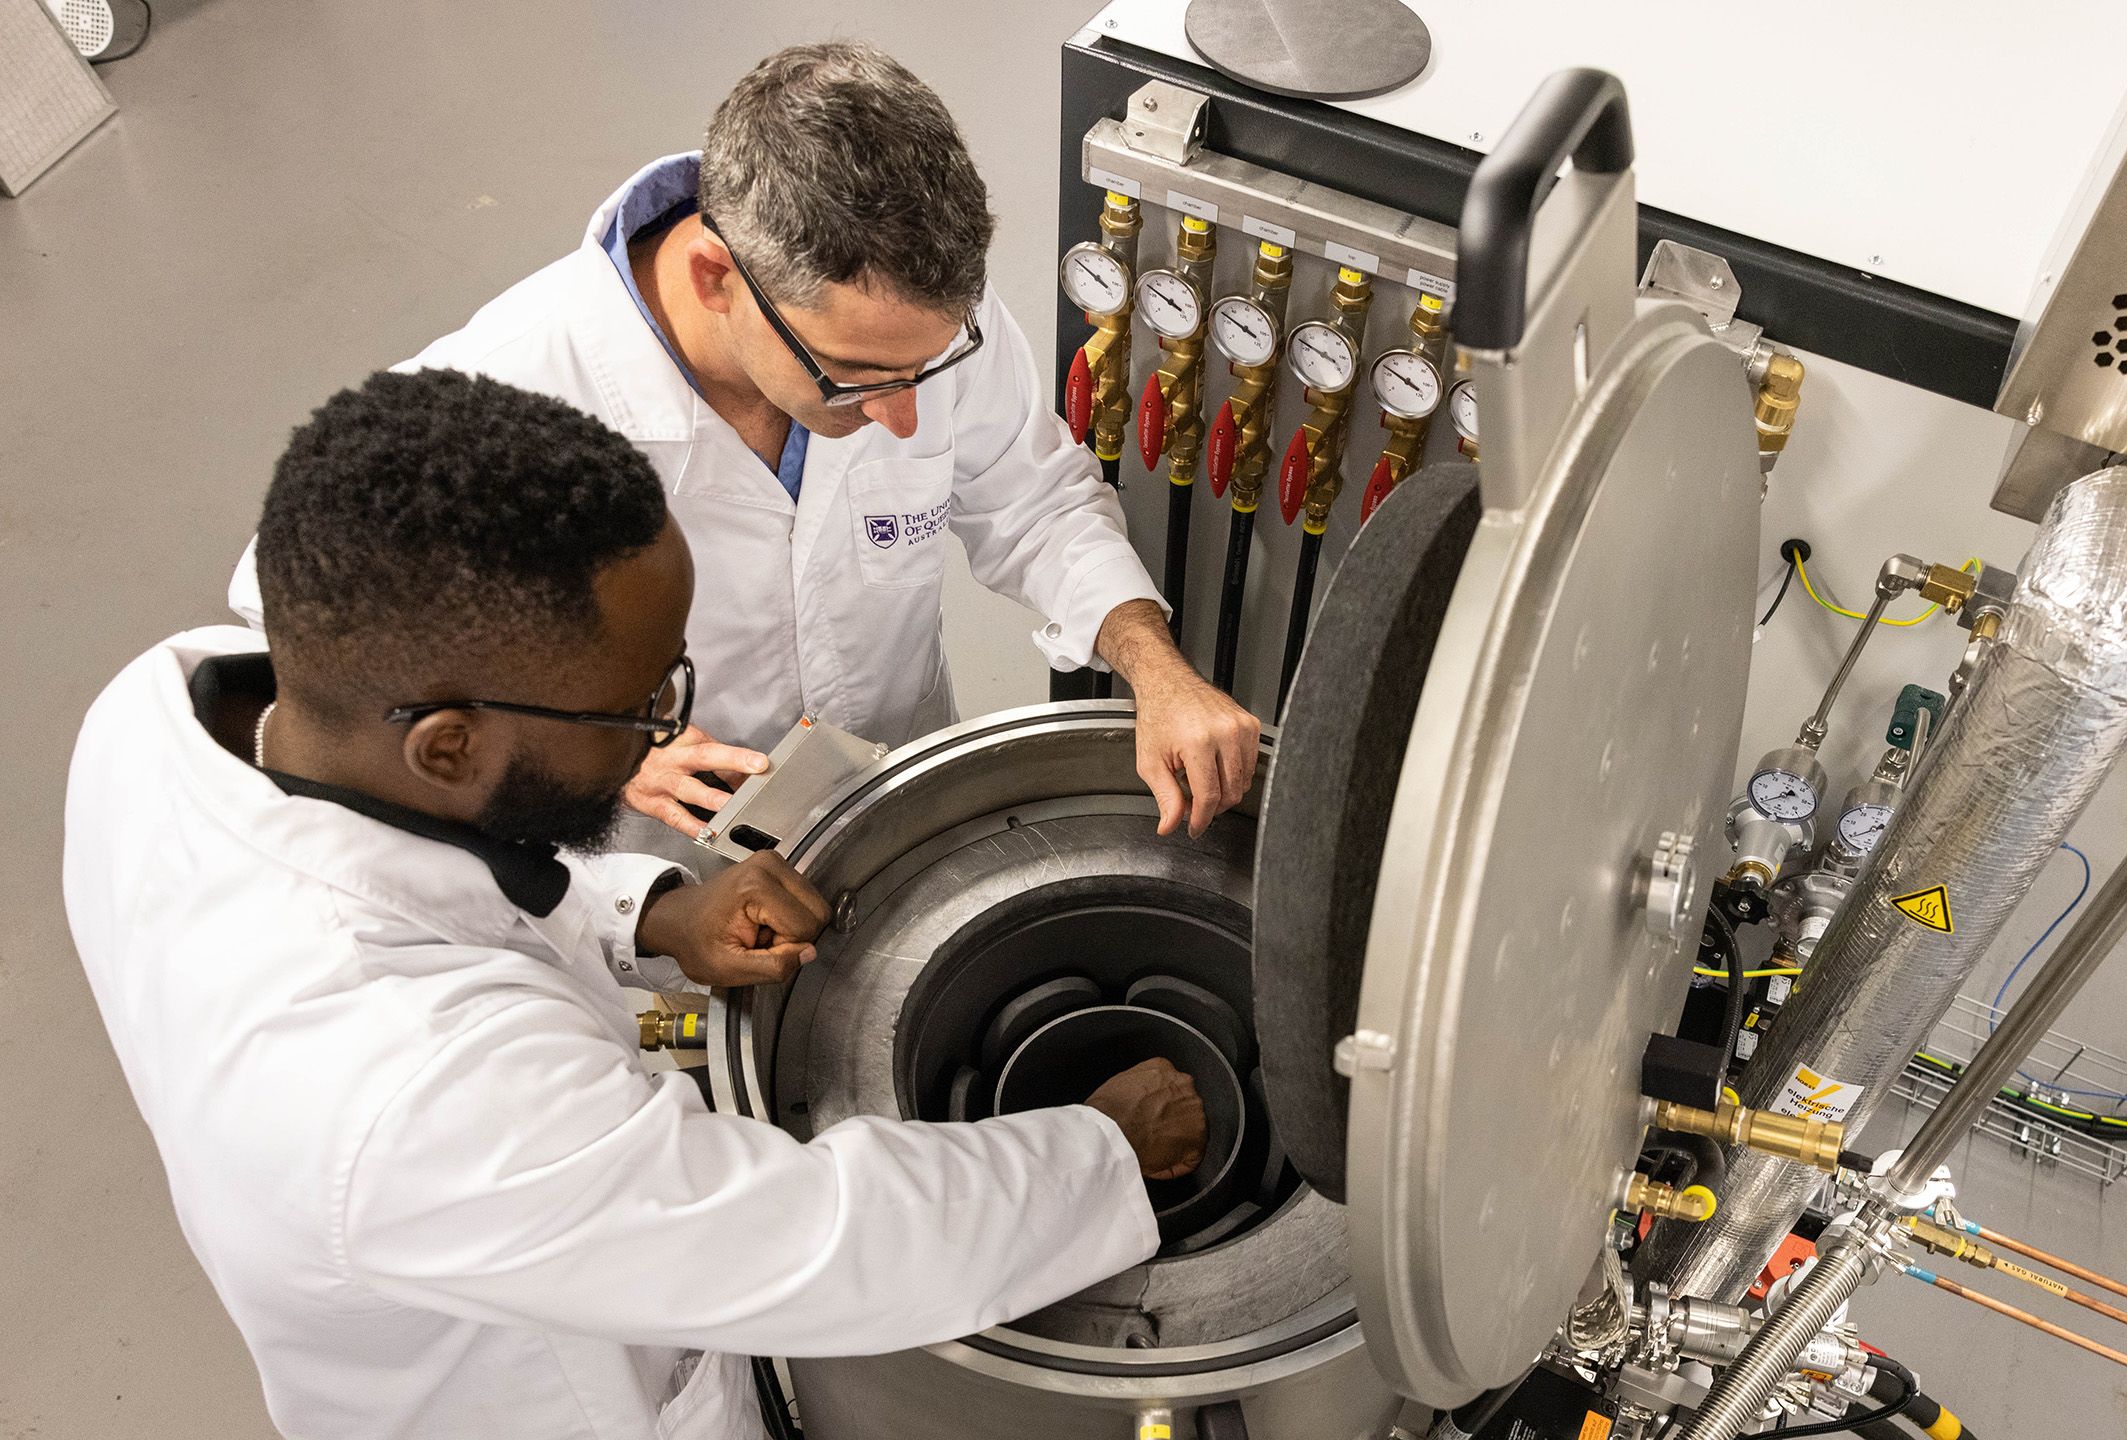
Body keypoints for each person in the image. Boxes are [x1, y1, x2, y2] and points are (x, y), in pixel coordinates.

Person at [66, 370, 1207, 1440]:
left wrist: (648, 915)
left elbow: (430, 880)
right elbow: (814, 1241)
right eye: (638, 708)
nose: (666, 727)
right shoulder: (423, 1098)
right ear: (450, 744)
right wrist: (1100, 1151)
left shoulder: (170, 711)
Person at [227, 40, 1259, 844]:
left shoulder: (915, 323)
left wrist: (1152, 667)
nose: (904, 416)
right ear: (718, 276)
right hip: (654, 870)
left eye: (925, 372)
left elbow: (1031, 498)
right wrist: (586, 754)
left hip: (893, 798)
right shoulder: (513, 385)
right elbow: (290, 624)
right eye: (854, 377)